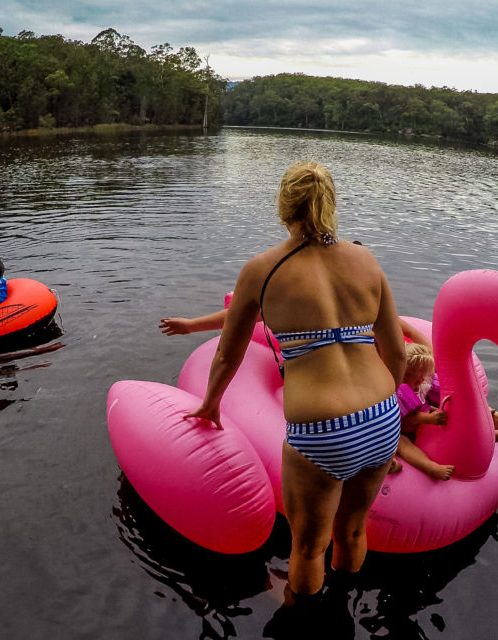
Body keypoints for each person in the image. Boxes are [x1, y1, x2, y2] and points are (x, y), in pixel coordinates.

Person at [184, 161, 406, 606]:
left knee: (307, 547)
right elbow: (397, 352)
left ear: (284, 206)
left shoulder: (262, 269)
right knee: (354, 529)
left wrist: (210, 404)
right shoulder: (365, 260)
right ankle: (345, 605)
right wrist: (386, 414)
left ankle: (303, 626)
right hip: (383, 416)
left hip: (322, 431)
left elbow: (229, 352)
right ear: (331, 203)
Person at [393, 343, 498, 479]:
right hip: (401, 430)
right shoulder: (399, 387)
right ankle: (430, 468)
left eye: (423, 376)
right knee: (402, 444)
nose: (421, 381)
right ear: (404, 374)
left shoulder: (421, 382)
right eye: (416, 377)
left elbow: (423, 401)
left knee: (457, 408)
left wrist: (435, 411)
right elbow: (410, 417)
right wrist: (429, 419)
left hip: (424, 422)